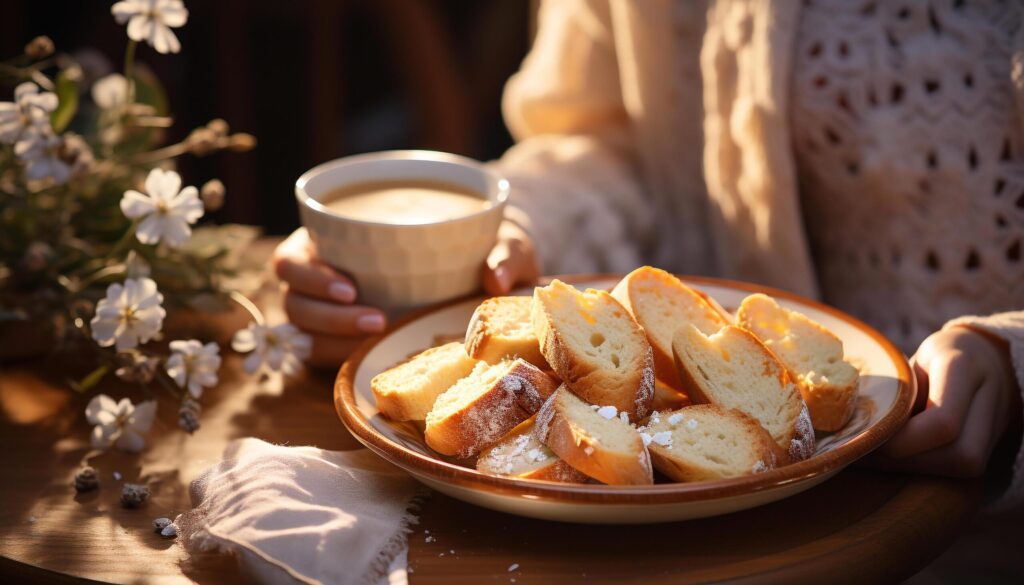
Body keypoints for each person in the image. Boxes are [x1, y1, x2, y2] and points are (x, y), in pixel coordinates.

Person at [274, 1, 1022, 492]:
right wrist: (508, 234)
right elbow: (603, 138)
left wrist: (1008, 354)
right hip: (676, 544)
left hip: (963, 521)